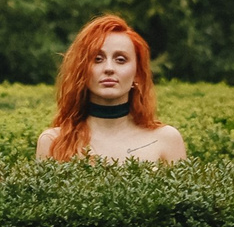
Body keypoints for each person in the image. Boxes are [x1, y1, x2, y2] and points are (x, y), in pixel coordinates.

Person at [35, 13, 186, 164]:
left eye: (121, 59)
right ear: (82, 70)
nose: (109, 68)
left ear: (137, 73)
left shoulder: (167, 139)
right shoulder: (52, 141)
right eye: (97, 59)